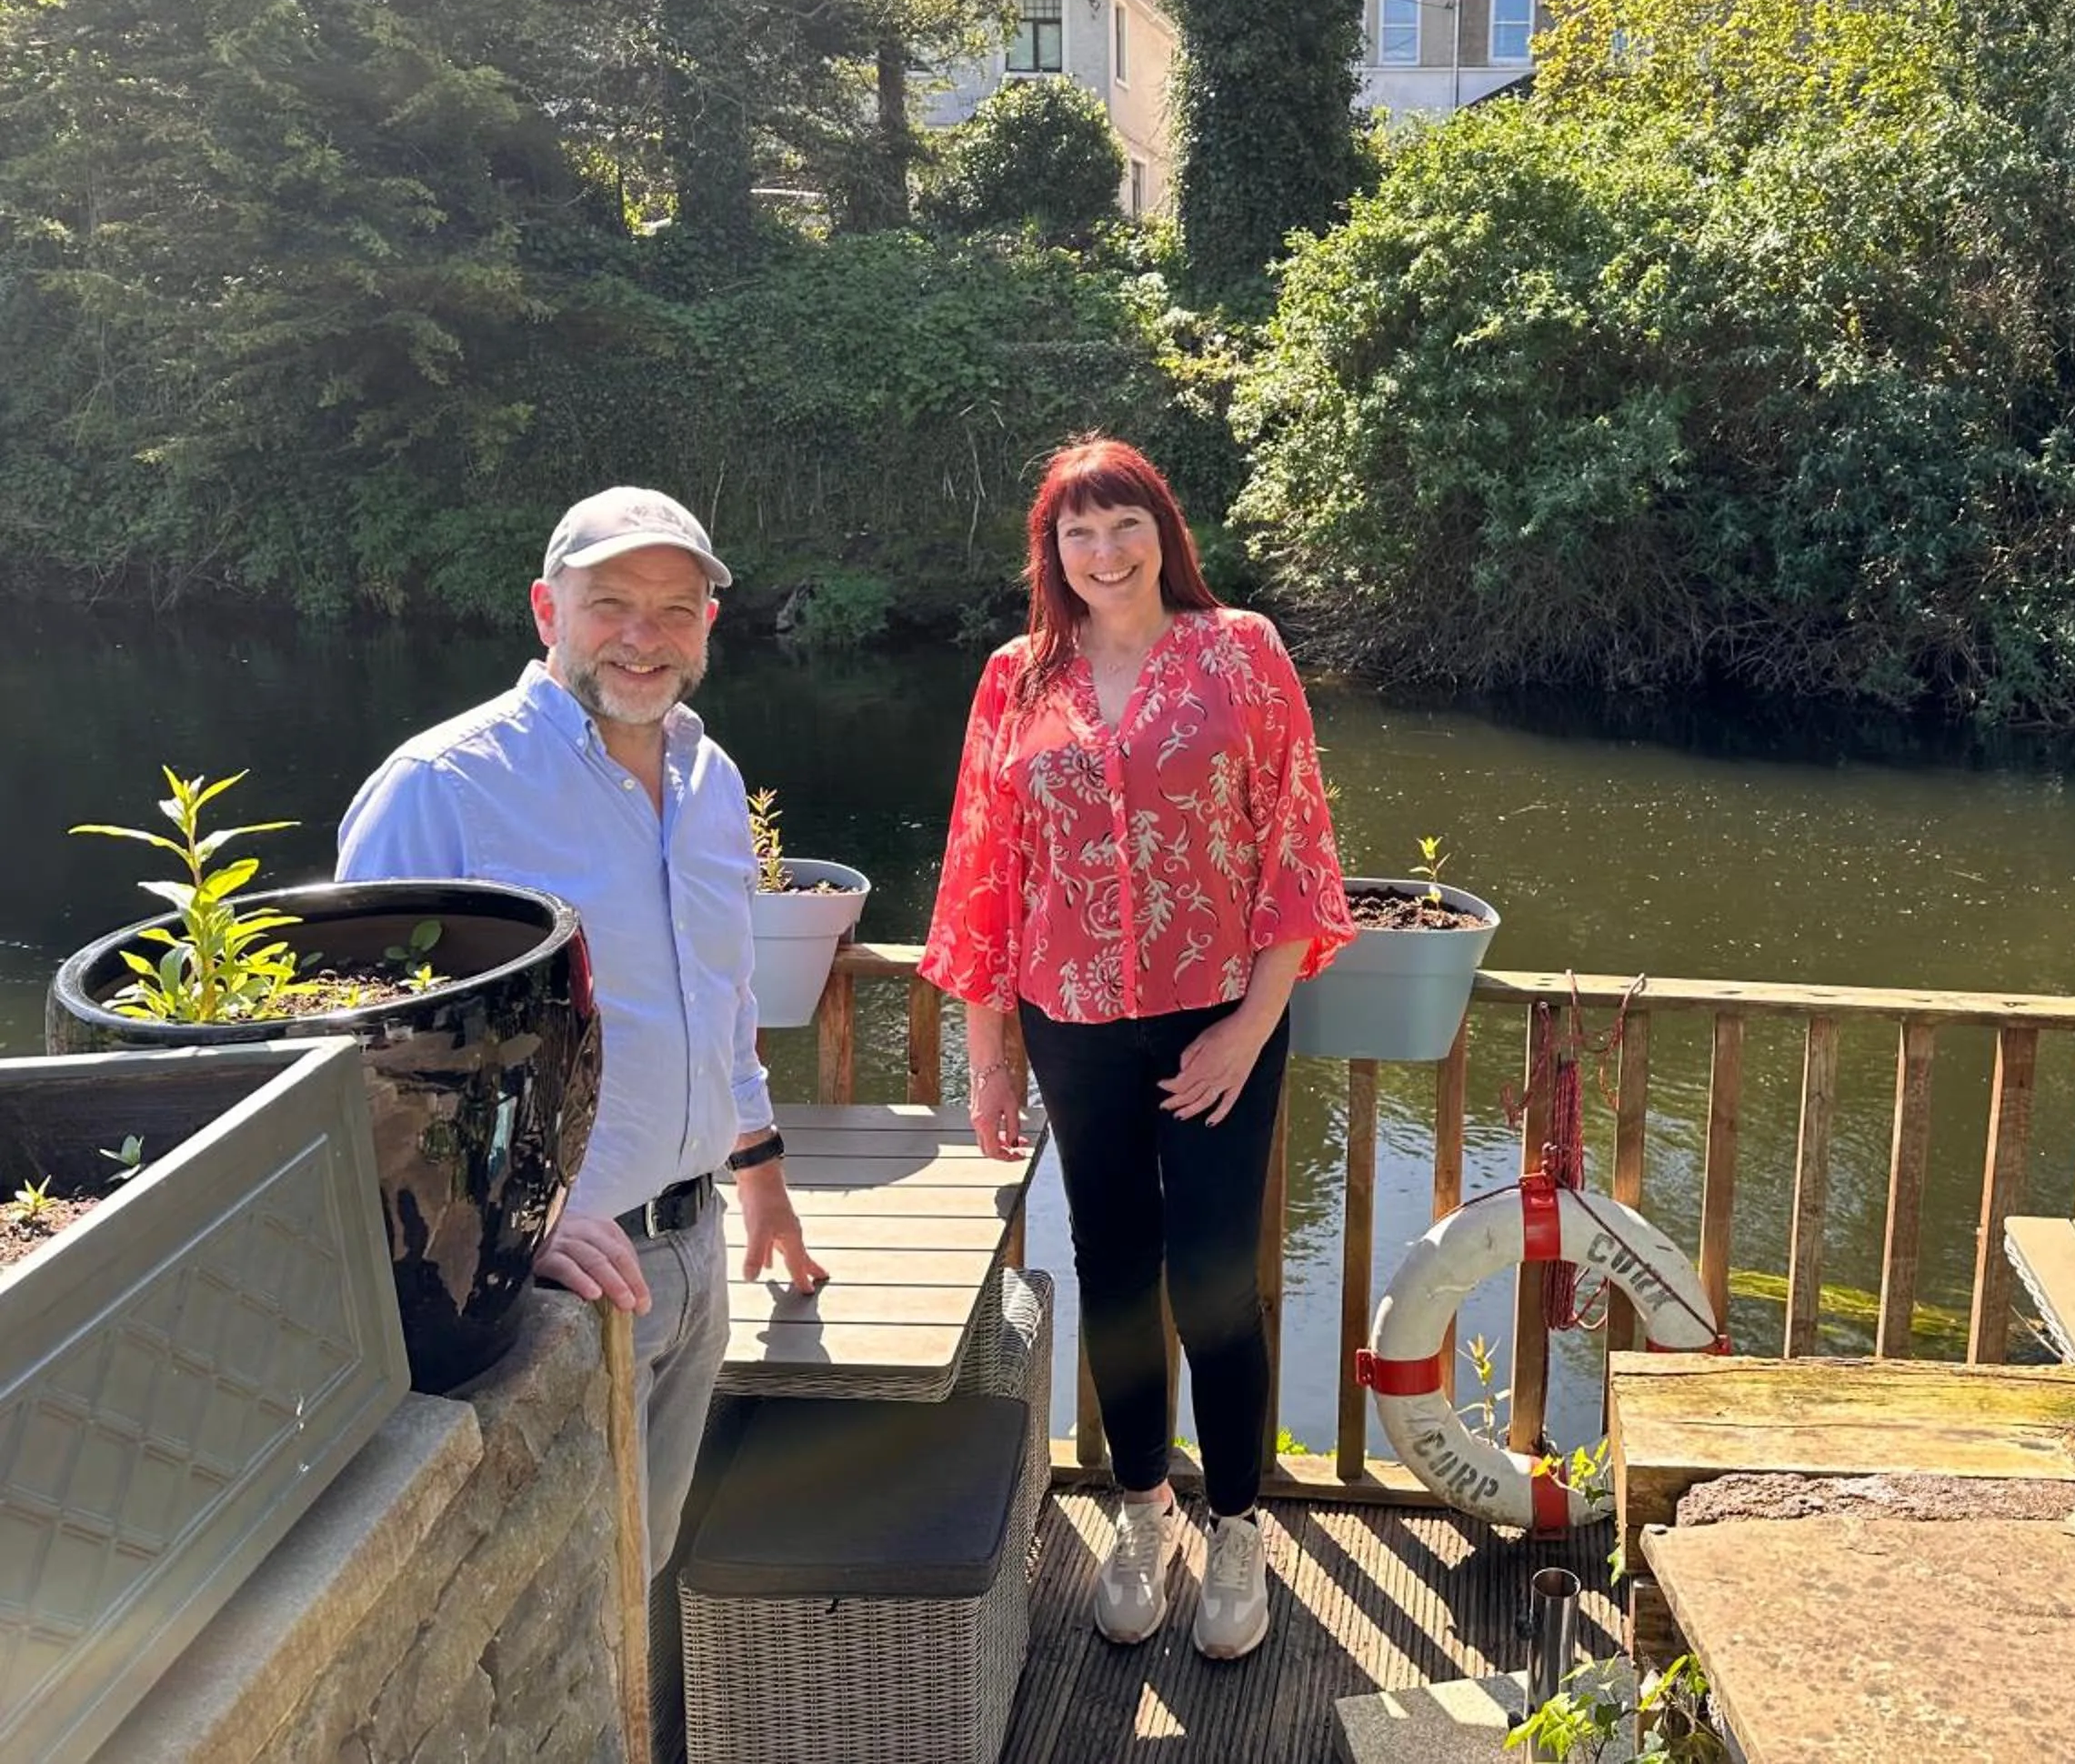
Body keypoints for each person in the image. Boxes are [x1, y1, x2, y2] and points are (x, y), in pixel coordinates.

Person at [336, 486, 827, 1599]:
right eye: (611, 603)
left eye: (676, 607)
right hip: (554, 1286)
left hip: (697, 1253)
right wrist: (506, 1225)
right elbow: (354, 1064)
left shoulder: (711, 779)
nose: (644, 637)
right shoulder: (445, 788)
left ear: (709, 621)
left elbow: (722, 1000)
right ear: (545, 610)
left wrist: (760, 1178)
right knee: (552, 1603)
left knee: (642, 1572)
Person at [923, 436, 1352, 1662]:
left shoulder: (1241, 654)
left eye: (1124, 524)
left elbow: (1297, 851)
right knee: (1114, 1269)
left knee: (1215, 1276)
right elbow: (982, 873)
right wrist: (989, 1055)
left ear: (1163, 530)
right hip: (1074, 1023)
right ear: (1050, 551)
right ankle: (1139, 1511)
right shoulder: (1017, 679)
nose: (1103, 552)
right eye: (1078, 532)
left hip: (1222, 1015)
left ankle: (1236, 1527)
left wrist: (1249, 1028)